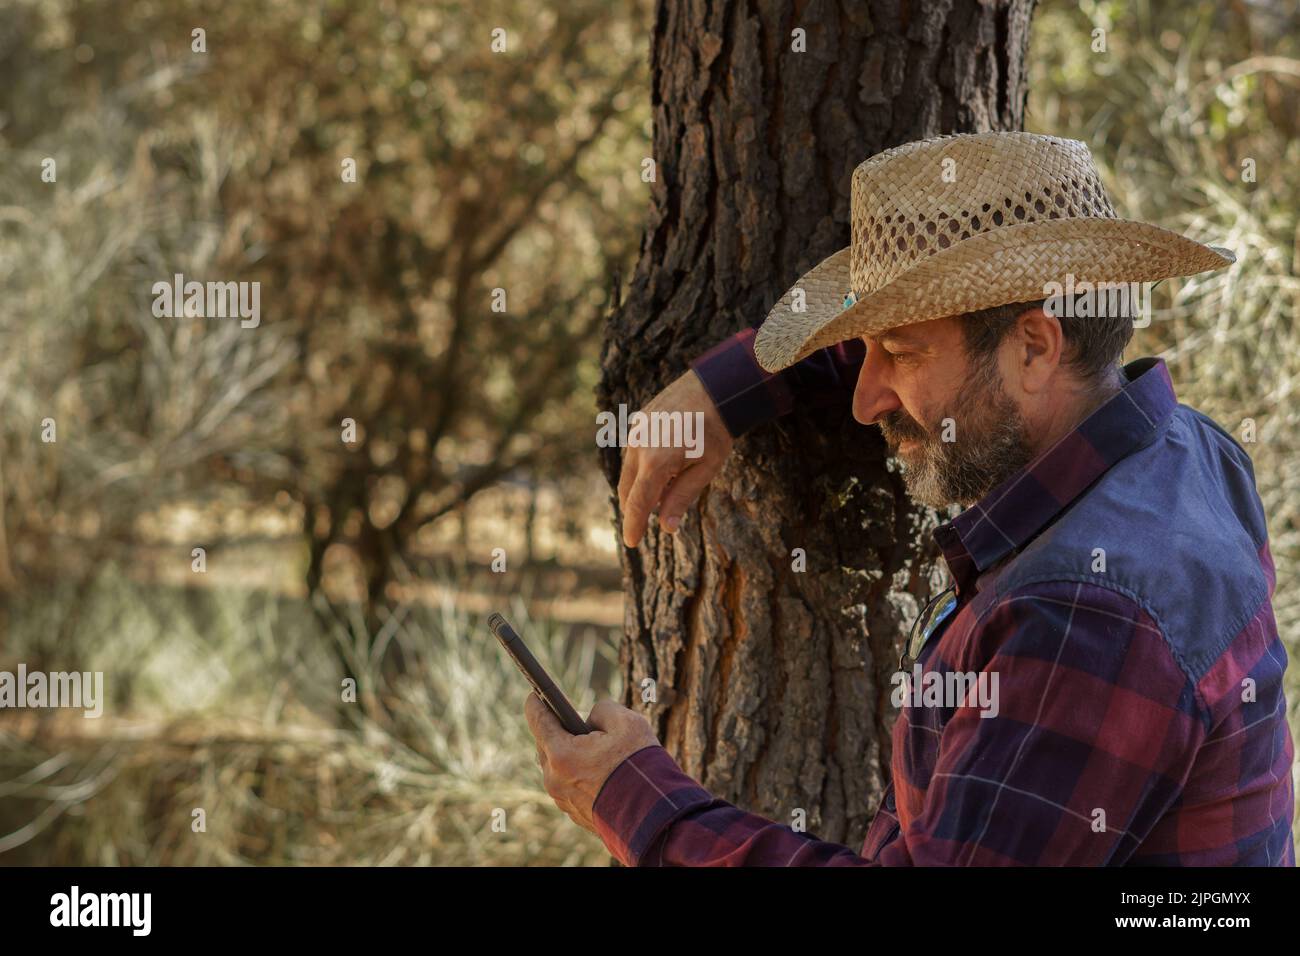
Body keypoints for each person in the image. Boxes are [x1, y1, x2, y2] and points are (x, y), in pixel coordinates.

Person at [525, 131, 1296, 865]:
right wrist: (727, 391)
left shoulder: (1083, 616)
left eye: (897, 353)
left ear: (1034, 347)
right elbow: (933, 358)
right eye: (865, 350)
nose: (863, 400)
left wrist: (639, 803)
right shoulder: (1188, 450)